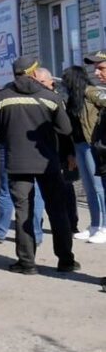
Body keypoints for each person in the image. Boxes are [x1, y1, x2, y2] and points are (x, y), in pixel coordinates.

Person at [0, 56, 78, 275]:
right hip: (48, 162)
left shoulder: (0, 98)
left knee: (23, 212)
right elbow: (65, 130)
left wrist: (9, 140)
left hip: (17, 162)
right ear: (34, 73)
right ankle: (66, 261)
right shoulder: (50, 97)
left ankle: (27, 263)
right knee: (57, 210)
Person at [33, 67, 81, 236]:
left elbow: (66, 129)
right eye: (37, 81)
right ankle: (40, 226)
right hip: (43, 151)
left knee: (66, 187)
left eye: (42, 82)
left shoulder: (58, 99)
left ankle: (71, 223)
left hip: (61, 150)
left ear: (51, 82)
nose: (39, 85)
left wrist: (70, 153)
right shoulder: (35, 98)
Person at [66, 61, 106, 244]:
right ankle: (95, 224)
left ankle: (104, 227)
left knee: (98, 188)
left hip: (92, 144)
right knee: (89, 188)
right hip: (80, 145)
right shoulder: (73, 98)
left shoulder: (90, 92)